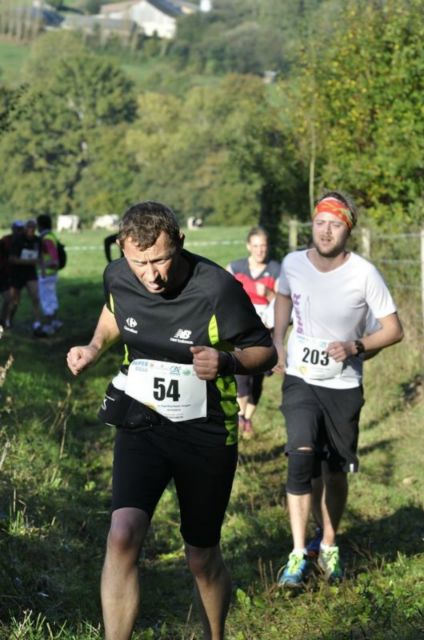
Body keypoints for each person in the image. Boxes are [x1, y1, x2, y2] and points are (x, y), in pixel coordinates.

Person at [67, 200, 277, 640]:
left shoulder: (217, 288)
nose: (151, 275)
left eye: (160, 260)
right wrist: (94, 347)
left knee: (201, 555)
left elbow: (266, 352)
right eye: (139, 263)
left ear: (180, 242)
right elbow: (115, 311)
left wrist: (227, 362)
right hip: (142, 422)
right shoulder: (117, 275)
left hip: (205, 432)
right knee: (122, 535)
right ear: (123, 249)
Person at [273, 191, 403, 587]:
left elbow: (394, 329)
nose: (326, 231)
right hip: (300, 377)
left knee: (334, 468)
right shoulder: (293, 263)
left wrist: (355, 346)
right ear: (312, 225)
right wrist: (278, 340)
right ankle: (298, 553)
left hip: (344, 384)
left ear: (348, 230)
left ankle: (328, 541)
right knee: (300, 455)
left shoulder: (364, 273)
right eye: (320, 223)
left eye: (335, 224)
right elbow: (282, 296)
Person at [227, 227, 280, 439]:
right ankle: (240, 416)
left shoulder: (276, 270)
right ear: (249, 246)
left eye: (263, 246)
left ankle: (247, 418)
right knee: (241, 376)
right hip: (241, 332)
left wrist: (269, 293)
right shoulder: (236, 267)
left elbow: (284, 300)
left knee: (258, 380)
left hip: (265, 332)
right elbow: (222, 289)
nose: (260, 250)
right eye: (256, 246)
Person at [8, 219, 45, 337]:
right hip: (17, 273)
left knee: (35, 297)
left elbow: (40, 256)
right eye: (29, 227)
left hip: (31, 273)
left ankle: (38, 323)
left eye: (34, 228)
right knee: (15, 301)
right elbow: (12, 259)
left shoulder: (37, 241)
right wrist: (28, 261)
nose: (31, 230)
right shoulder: (18, 240)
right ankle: (8, 320)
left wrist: (42, 269)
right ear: (25, 228)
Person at [37, 214, 62, 335]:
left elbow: (54, 259)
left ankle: (49, 326)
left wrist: (42, 266)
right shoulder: (51, 235)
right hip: (51, 274)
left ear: (40, 225)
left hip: (46, 274)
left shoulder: (46, 238)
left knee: (46, 301)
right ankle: (55, 322)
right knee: (52, 299)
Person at [0, 220, 24, 330]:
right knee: (9, 299)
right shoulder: (5, 241)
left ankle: (6, 320)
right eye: (17, 229)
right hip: (3, 274)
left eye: (21, 229)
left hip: (14, 275)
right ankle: (4, 321)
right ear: (13, 229)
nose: (19, 232)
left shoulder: (25, 241)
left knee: (14, 301)